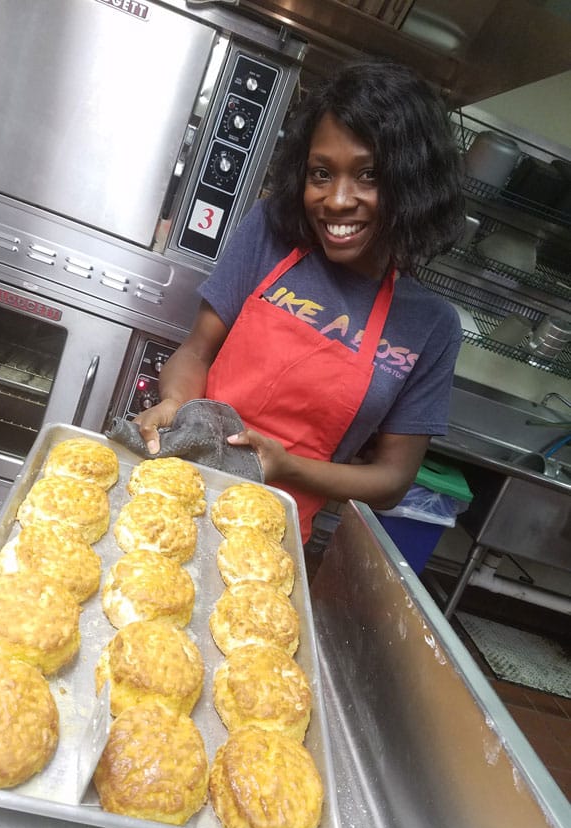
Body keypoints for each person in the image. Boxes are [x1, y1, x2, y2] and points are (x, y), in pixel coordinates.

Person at [135, 56, 466, 544]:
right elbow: (196, 351)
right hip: (176, 484)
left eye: (369, 175)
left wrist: (286, 466)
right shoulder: (272, 232)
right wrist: (175, 401)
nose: (336, 200)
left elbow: (392, 480)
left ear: (413, 184)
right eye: (321, 173)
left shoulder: (431, 325)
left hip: (271, 533)